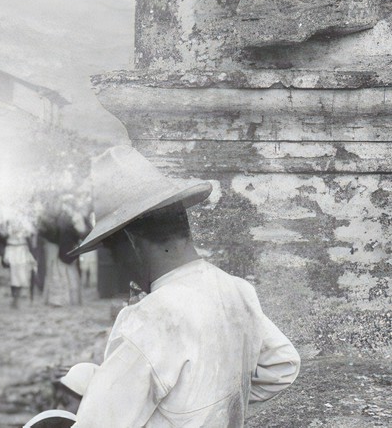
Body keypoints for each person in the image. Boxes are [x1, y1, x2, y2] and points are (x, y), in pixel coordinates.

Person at [66, 146, 301, 427]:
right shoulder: (236, 289)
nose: (114, 263)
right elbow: (282, 364)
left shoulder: (149, 319)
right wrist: (212, 407)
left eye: (109, 248)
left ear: (130, 240)